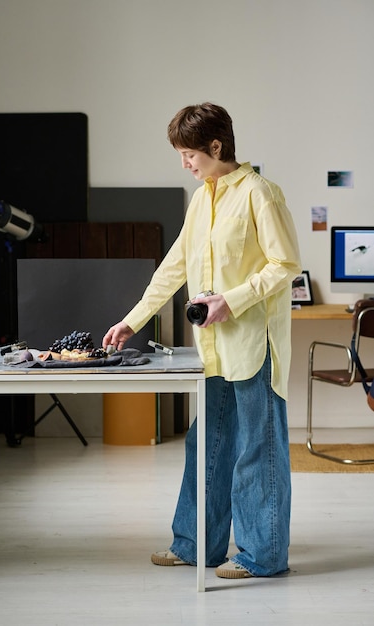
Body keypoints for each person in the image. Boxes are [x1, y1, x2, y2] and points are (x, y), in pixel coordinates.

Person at [102, 102, 301, 580]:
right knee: (206, 447)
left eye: (190, 153)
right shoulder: (202, 200)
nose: (185, 163)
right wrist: (134, 320)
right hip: (212, 350)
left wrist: (231, 301)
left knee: (258, 449)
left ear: (217, 146)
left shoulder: (260, 193)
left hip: (256, 345)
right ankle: (195, 546)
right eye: (181, 155)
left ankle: (262, 556)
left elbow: (286, 265)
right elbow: (174, 266)